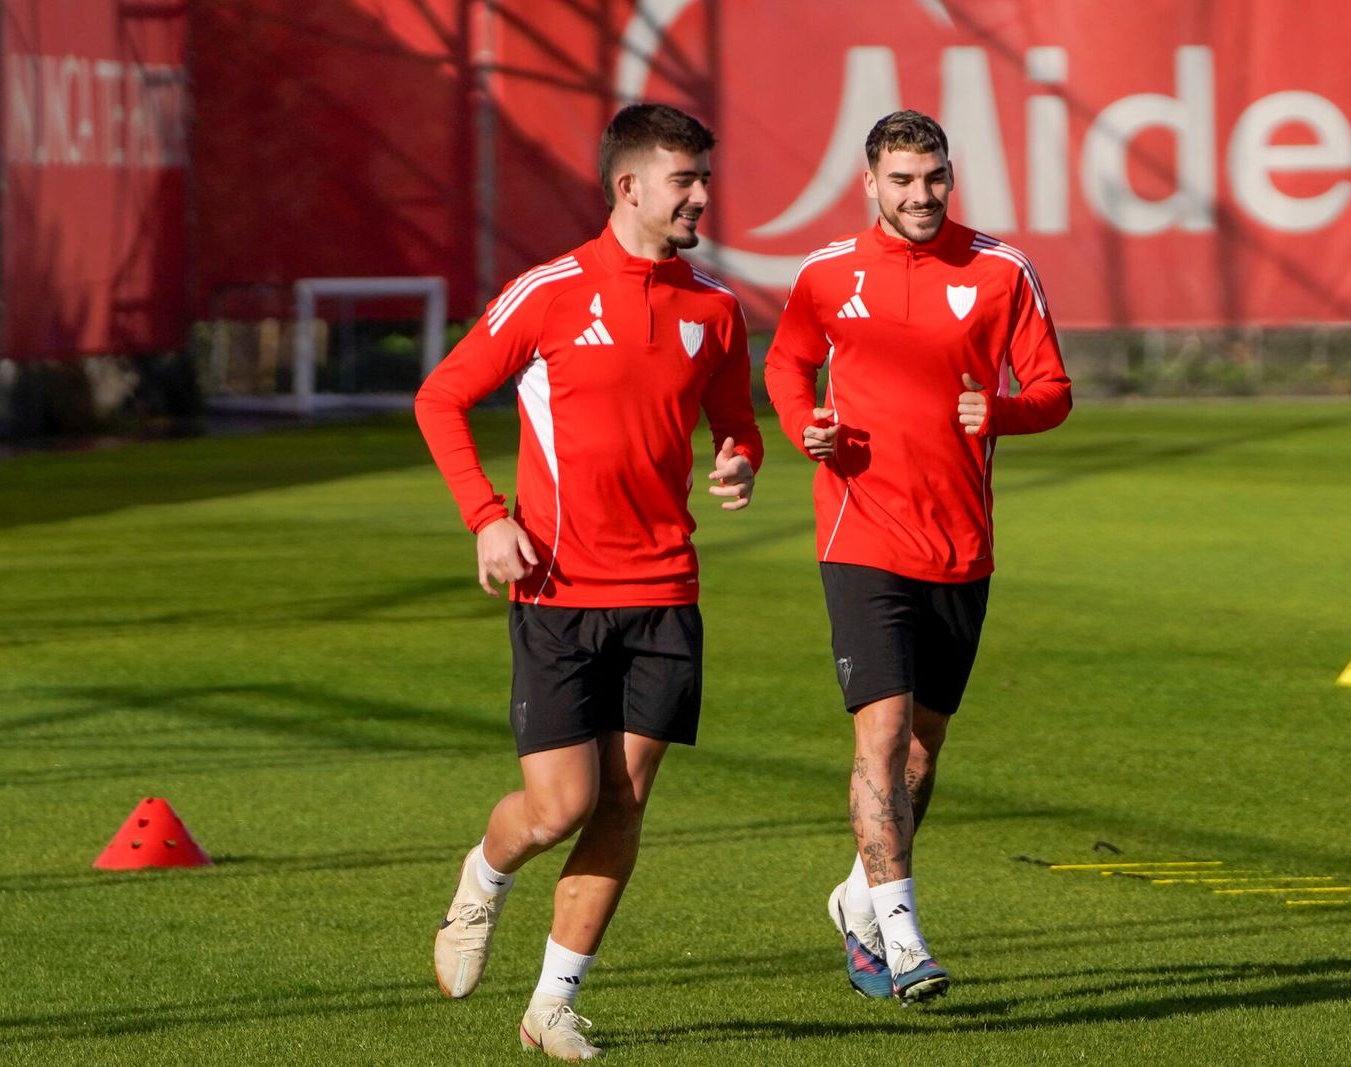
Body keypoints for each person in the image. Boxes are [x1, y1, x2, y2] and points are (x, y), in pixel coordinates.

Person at [414, 103, 762, 1061]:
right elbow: (440, 396)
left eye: (704, 178)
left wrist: (740, 458)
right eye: (685, 180)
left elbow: (738, 423)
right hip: (558, 590)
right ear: (629, 186)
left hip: (665, 591)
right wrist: (487, 516)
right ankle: (484, 878)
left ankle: (552, 1004)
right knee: (559, 805)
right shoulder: (549, 292)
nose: (701, 196)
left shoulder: (714, 308)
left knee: (624, 800)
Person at [763, 110, 1071, 1005]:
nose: (920, 194)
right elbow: (786, 366)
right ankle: (904, 942)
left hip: (961, 546)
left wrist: (1002, 411)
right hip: (860, 533)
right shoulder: (827, 273)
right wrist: (804, 425)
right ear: (870, 183)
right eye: (901, 179)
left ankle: (859, 900)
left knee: (921, 757)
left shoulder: (1002, 270)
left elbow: (1053, 390)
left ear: (950, 176)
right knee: (883, 732)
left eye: (933, 176)